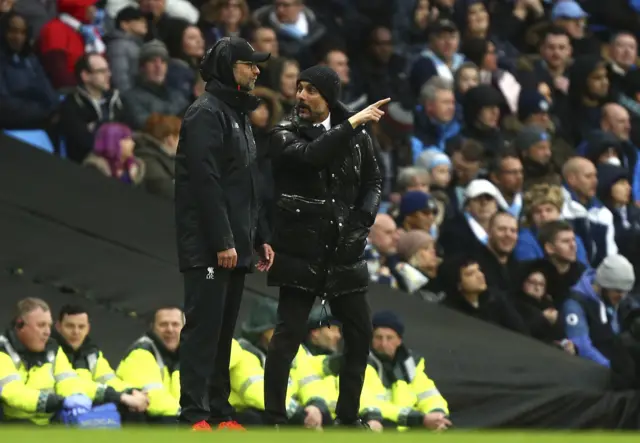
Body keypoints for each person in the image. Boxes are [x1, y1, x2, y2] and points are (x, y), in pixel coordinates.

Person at [263, 64, 386, 428]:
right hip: (300, 252)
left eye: (311, 90)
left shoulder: (359, 137)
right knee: (287, 335)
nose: (301, 96)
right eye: (299, 88)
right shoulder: (283, 133)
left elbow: (374, 180)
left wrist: (363, 220)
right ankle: (273, 419)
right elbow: (313, 155)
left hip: (344, 252)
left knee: (360, 334)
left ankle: (347, 419)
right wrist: (351, 124)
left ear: (328, 98)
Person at [173, 36, 275, 431]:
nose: (256, 70)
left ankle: (219, 412)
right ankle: (194, 415)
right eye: (249, 64)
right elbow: (205, 182)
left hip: (235, 245)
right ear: (228, 67)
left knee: (223, 332)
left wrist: (259, 236)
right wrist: (224, 242)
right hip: (210, 249)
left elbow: (249, 186)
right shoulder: (204, 113)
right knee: (203, 330)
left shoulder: (237, 114)